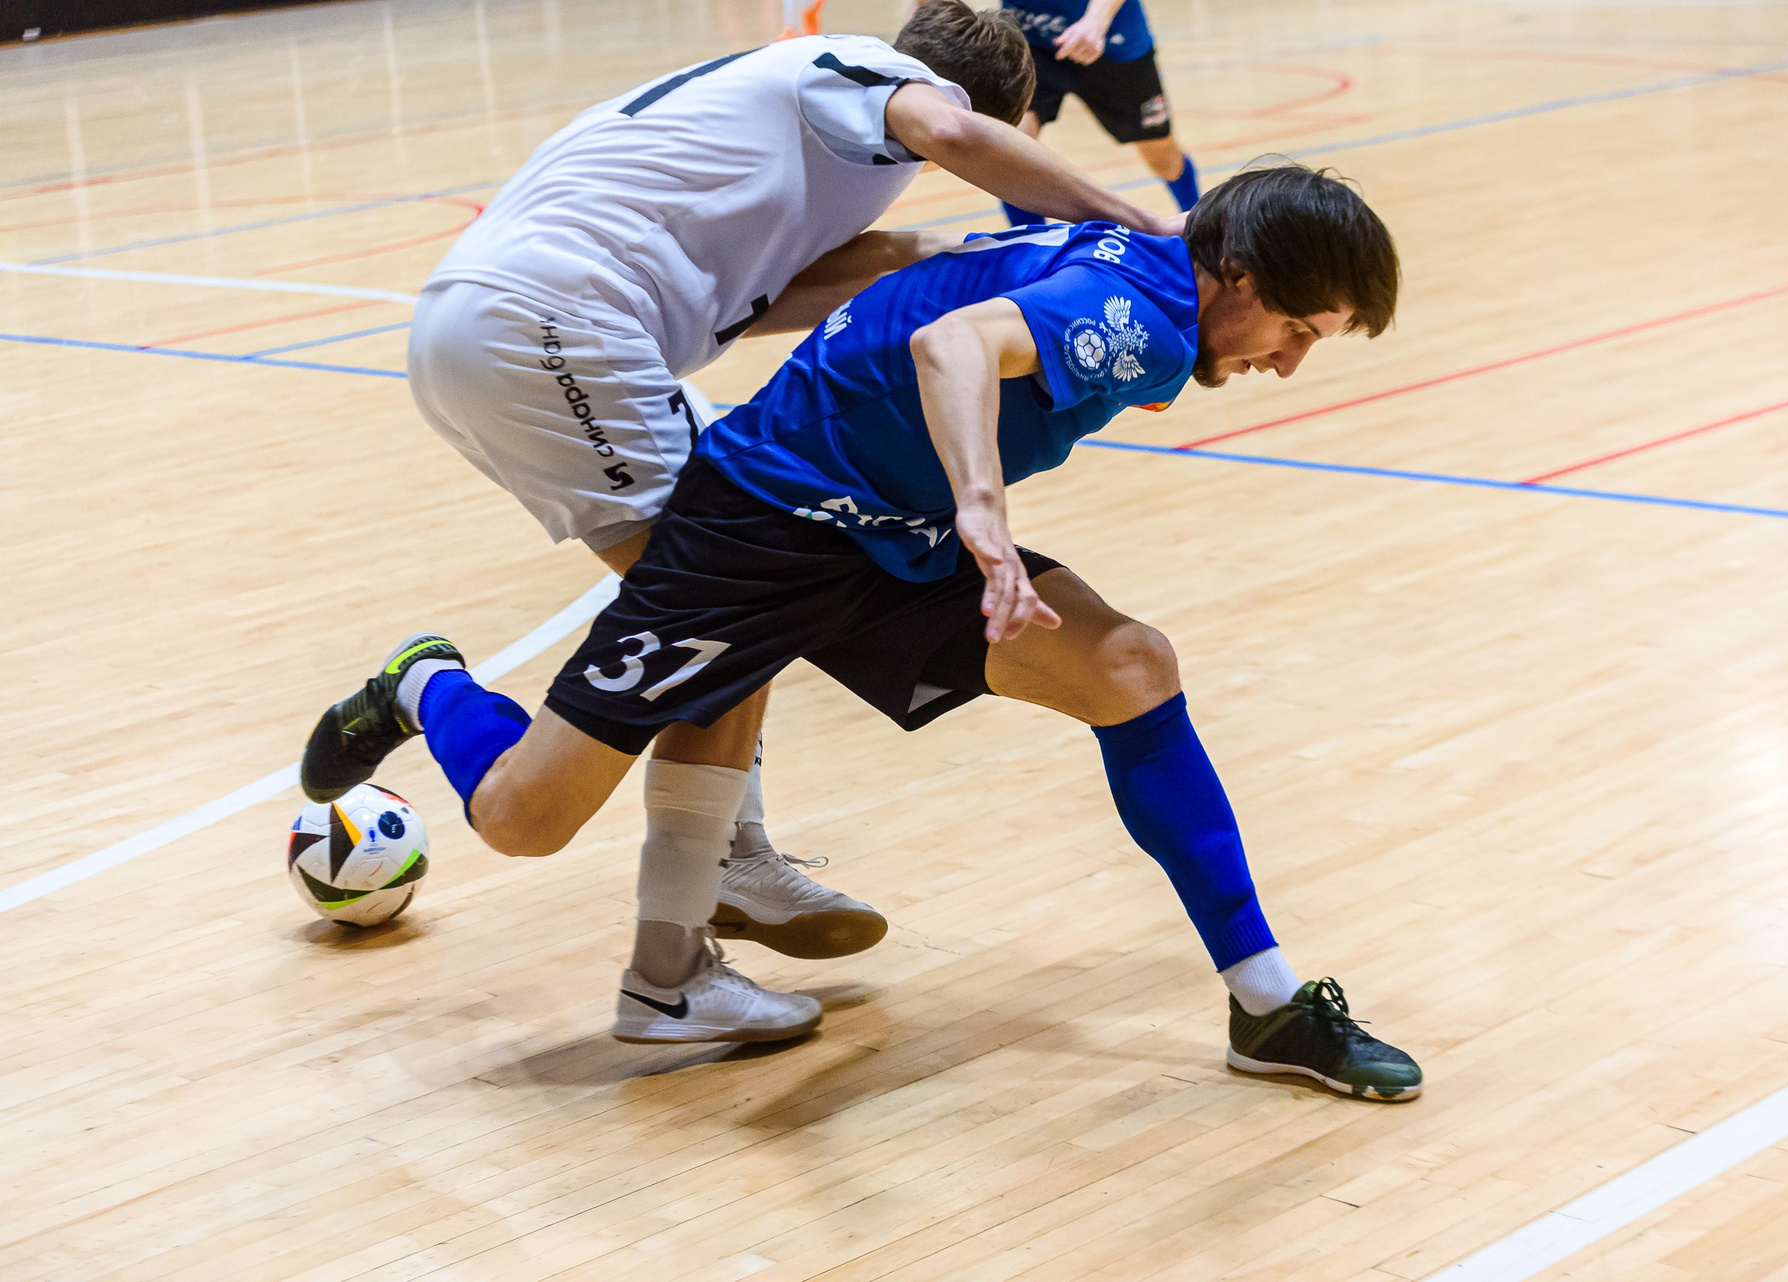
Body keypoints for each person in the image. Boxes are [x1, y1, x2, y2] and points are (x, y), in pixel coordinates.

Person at [299, 162, 1424, 1098]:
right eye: (1295, 328)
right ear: (1239, 273)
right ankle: (427, 686)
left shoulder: (1152, 280)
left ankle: (1268, 1005)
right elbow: (951, 346)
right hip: (761, 525)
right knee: (522, 819)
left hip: (889, 538)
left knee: (1129, 665)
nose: (1288, 361)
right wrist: (983, 514)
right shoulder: (1145, 319)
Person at [302, 3, 1194, 1024]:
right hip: (557, 327)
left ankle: (702, 881)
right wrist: (1136, 229)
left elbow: (777, 294)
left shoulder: (799, 138)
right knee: (737, 594)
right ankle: (679, 909)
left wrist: (941, 258)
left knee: (741, 599)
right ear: (992, 109)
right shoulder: (864, 77)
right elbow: (953, 131)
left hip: (512, 326)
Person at [997, 0, 1200, 225]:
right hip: (1030, 41)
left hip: (1112, 43)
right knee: (1007, 148)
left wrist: (1095, 22)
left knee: (1162, 157)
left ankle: (1199, 227)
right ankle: (1032, 244)